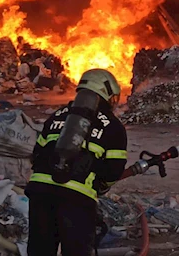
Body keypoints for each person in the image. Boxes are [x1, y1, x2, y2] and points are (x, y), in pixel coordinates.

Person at [25, 69, 128, 256]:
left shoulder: (57, 115)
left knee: (39, 250)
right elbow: (113, 171)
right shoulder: (113, 126)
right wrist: (100, 186)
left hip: (39, 193)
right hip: (76, 198)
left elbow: (37, 154)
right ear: (107, 95)